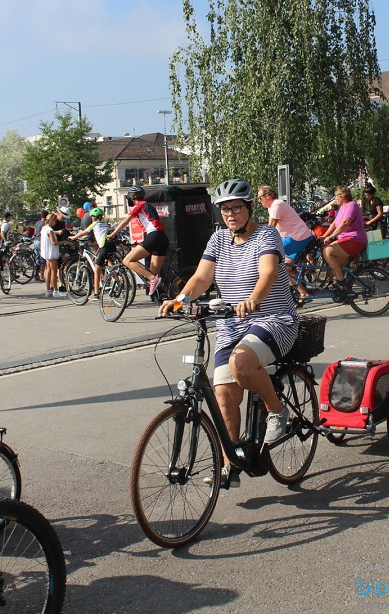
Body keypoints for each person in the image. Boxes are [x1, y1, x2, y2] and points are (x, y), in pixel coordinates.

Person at [159, 179, 298, 489]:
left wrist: (254, 299)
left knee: (242, 363)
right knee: (224, 395)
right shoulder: (218, 240)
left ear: (249, 208)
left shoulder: (267, 235)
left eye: (236, 208)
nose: (231, 214)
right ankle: (229, 466)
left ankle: (277, 410)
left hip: (272, 319)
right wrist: (179, 300)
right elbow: (201, 278)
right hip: (231, 325)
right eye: (224, 210)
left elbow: (268, 272)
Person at [107, 185, 170, 296]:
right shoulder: (149, 206)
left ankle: (152, 279)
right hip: (161, 237)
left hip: (154, 236)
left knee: (127, 261)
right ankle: (164, 297)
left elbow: (125, 221)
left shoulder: (140, 205)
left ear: (132, 197)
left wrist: (112, 234)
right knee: (154, 274)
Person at [258, 185, 313, 298]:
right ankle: (303, 293)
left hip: (298, 237)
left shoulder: (276, 205)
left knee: (268, 256)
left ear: (267, 196)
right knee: (284, 268)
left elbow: (271, 228)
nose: (259, 201)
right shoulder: (272, 206)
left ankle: (269, 292)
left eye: (260, 198)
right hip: (296, 237)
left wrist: (258, 242)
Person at [319, 186, 367, 290]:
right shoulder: (342, 208)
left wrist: (331, 237)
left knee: (327, 251)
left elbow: (345, 223)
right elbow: (335, 224)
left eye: (336, 196)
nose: (335, 199)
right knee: (334, 267)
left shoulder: (351, 205)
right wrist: (324, 236)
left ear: (343, 197)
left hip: (355, 240)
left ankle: (342, 282)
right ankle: (345, 293)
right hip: (345, 241)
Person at [71, 208, 111, 296]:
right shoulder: (106, 224)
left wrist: (73, 237)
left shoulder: (94, 224)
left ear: (93, 218)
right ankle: (118, 277)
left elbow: (83, 232)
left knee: (96, 270)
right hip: (111, 246)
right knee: (109, 264)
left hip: (103, 246)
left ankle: (96, 293)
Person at [39, 214, 61, 298]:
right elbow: (54, 242)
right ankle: (55, 290)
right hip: (51, 253)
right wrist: (64, 242)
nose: (55, 222)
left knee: (48, 271)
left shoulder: (44, 228)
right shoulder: (50, 230)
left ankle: (48, 290)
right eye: (55, 221)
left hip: (46, 253)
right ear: (51, 220)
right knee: (54, 272)